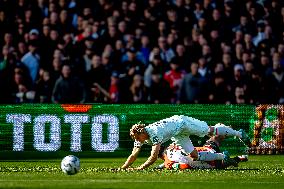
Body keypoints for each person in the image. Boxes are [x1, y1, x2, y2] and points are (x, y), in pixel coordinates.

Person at [121, 115, 248, 170]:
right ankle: (223, 156)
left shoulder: (154, 132)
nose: (137, 140)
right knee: (194, 155)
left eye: (137, 137)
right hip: (177, 134)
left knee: (211, 131)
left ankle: (239, 133)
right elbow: (133, 154)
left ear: (141, 133)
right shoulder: (141, 136)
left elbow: (153, 156)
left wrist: (140, 168)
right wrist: (123, 168)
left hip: (182, 123)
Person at [161, 135, 248, 170]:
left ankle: (234, 159)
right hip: (208, 150)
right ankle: (234, 132)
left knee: (218, 166)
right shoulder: (172, 145)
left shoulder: (168, 162)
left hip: (210, 163)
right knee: (214, 138)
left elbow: (185, 165)